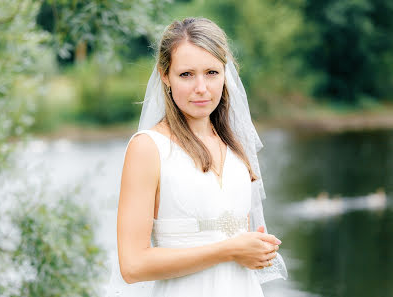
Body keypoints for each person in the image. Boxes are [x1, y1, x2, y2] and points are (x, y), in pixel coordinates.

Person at [105, 17, 287, 297]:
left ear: (226, 73)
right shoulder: (148, 148)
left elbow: (236, 237)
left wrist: (258, 248)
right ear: (165, 75)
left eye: (212, 72)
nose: (201, 87)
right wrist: (229, 250)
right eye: (186, 74)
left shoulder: (235, 147)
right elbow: (132, 265)